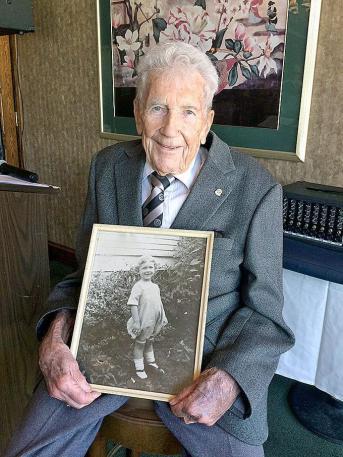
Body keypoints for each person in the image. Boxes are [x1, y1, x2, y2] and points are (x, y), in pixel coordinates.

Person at [4, 41, 294, 457]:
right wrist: (54, 340)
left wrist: (228, 378)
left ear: (208, 120)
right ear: (139, 112)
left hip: (204, 369)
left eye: (188, 111)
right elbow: (83, 275)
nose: (169, 128)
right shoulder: (107, 168)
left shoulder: (256, 189)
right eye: (158, 107)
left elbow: (267, 316)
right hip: (101, 357)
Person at [126, 255, 167, 379]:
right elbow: (133, 304)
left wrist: (163, 317)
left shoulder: (155, 287)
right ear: (139, 271)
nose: (148, 270)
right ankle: (139, 368)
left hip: (154, 321)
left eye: (150, 267)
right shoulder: (138, 286)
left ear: (154, 269)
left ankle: (151, 362)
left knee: (150, 342)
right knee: (140, 344)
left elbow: (158, 303)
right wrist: (137, 322)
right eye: (144, 268)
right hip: (143, 321)